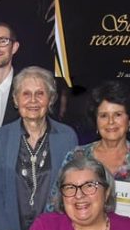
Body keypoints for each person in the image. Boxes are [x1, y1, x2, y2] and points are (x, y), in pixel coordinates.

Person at [0, 66, 78, 230]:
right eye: (26, 94)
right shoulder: (0, 137)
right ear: (16, 100)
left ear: (51, 99)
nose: (33, 100)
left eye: (40, 93)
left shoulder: (67, 137)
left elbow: (72, 192)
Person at [48, 81, 130, 209]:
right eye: (103, 116)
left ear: (128, 120)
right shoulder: (76, 156)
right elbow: (55, 205)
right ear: (95, 121)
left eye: (118, 115)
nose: (111, 122)